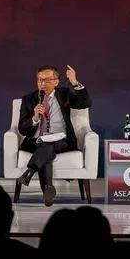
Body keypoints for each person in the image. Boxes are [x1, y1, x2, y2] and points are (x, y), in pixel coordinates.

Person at [16, 64, 90, 206]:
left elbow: (85, 103)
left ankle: (30, 172)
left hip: (62, 140)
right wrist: (35, 118)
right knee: (46, 146)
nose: (42, 83)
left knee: (47, 145)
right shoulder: (28, 99)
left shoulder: (64, 94)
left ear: (56, 81)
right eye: (39, 80)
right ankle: (47, 188)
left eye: (46, 80)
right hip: (36, 140)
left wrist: (75, 82)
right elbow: (22, 129)